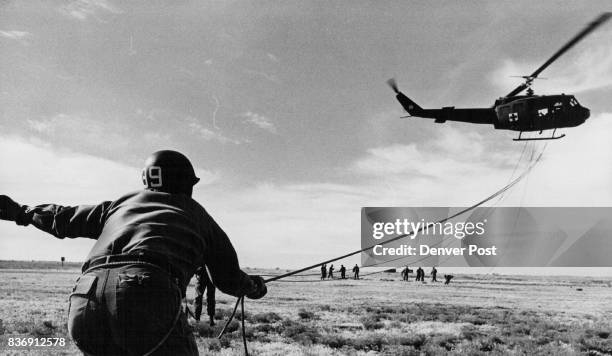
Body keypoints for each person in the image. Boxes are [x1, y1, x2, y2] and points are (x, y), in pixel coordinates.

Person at [0, 150, 267, 355]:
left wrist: (19, 212)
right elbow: (228, 278)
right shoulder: (197, 214)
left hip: (84, 299)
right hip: (146, 293)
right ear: (186, 182)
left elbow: (62, 219)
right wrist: (254, 287)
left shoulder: (119, 205)